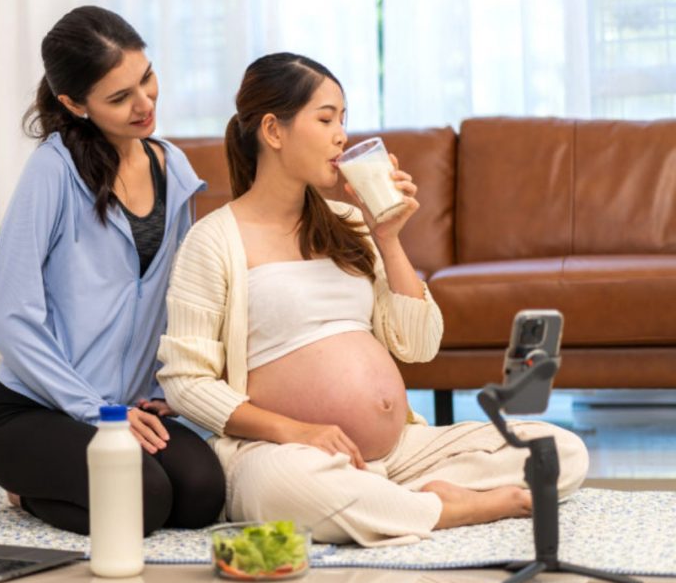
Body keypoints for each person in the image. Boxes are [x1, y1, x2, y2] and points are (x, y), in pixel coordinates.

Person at [157, 53, 589, 547]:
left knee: (563, 452)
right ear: (273, 131)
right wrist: (295, 431)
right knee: (289, 488)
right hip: (281, 453)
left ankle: (391, 501)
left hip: (402, 450)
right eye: (325, 119)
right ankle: (442, 506)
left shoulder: (352, 224)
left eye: (344, 119)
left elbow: (419, 345)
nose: (341, 134)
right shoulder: (213, 239)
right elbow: (185, 382)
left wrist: (388, 237)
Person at [0, 6, 225, 536]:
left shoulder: (173, 167)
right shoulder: (52, 170)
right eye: (119, 97)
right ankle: (25, 490)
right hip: (32, 408)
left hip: (125, 404)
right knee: (141, 502)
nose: (144, 104)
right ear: (73, 103)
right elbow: (3, 312)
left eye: (146, 78)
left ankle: (64, 480)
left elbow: (174, 298)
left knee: (202, 494)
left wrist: (169, 388)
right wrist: (89, 408)